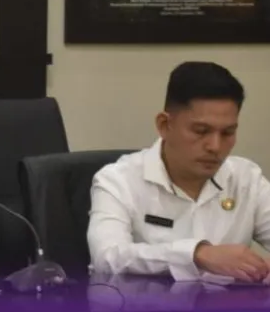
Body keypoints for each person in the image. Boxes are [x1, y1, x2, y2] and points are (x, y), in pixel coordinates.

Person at [88, 61, 270, 282]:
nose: (215, 146)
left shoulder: (246, 179)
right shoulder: (118, 180)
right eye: (201, 131)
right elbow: (107, 257)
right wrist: (196, 255)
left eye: (227, 133)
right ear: (164, 125)